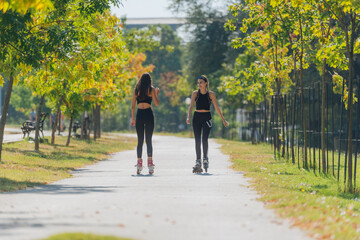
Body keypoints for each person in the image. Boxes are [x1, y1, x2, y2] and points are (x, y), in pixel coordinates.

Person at [186, 75, 228, 173]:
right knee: (197, 139)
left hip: (207, 118)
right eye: (198, 83)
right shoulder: (195, 93)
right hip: (197, 117)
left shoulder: (211, 94)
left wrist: (223, 119)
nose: (199, 84)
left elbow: (217, 108)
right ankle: (198, 160)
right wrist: (188, 117)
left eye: (201, 82)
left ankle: (205, 158)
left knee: (204, 139)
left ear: (206, 83)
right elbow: (191, 106)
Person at [131, 73, 160, 175]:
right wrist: (156, 93)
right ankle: (150, 164)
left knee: (140, 140)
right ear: (149, 80)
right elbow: (156, 103)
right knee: (148, 140)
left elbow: (133, 107)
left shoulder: (136, 90)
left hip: (139, 114)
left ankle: (139, 164)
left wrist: (133, 119)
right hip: (148, 114)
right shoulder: (151, 89)